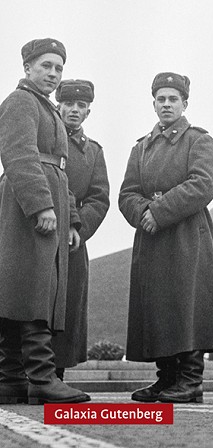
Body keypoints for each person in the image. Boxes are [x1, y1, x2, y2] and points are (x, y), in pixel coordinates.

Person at [119, 72, 213, 404]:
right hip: (151, 237)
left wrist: (160, 212)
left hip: (186, 235)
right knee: (158, 307)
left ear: (184, 104)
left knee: (186, 304)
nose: (166, 104)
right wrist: (144, 213)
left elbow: (203, 184)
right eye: (161, 99)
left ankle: (191, 380)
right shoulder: (141, 148)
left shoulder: (198, 140)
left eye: (173, 99)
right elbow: (127, 193)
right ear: (153, 104)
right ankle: (166, 378)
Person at [0, 39, 90, 404]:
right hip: (27, 203)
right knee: (32, 287)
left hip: (49, 199)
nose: (53, 73)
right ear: (28, 68)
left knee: (31, 287)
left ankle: (9, 379)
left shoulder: (46, 107)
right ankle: (39, 376)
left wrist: (72, 221)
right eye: (46, 66)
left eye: (58, 68)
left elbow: (60, 169)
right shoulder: (20, 101)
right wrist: (40, 206)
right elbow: (18, 154)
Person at [52, 79, 110, 380]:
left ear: (88, 111)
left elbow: (99, 198)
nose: (74, 110)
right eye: (68, 104)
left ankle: (56, 375)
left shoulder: (93, 152)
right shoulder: (44, 139)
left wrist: (79, 228)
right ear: (58, 105)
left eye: (81, 105)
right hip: (38, 230)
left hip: (73, 241)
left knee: (68, 305)